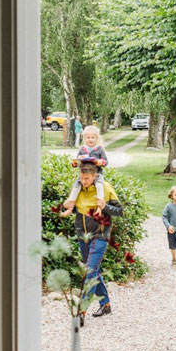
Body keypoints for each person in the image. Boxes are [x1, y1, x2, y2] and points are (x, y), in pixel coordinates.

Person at [69, 158, 119, 318]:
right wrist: (69, 208)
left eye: (87, 179)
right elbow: (79, 211)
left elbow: (120, 211)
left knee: (90, 271)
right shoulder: (78, 189)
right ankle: (105, 305)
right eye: (81, 178)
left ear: (95, 175)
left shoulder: (104, 188)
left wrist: (105, 207)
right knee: (93, 270)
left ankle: (82, 309)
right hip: (83, 235)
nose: (83, 181)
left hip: (100, 235)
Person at [62, 125, 108, 216]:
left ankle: (100, 205)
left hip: (96, 172)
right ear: (84, 138)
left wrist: (99, 162)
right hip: (84, 173)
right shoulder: (83, 149)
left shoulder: (99, 149)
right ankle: (71, 204)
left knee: (99, 185)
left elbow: (105, 162)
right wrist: (75, 163)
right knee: (77, 186)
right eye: (88, 137)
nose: (90, 139)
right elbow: (77, 159)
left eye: (93, 137)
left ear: (96, 138)